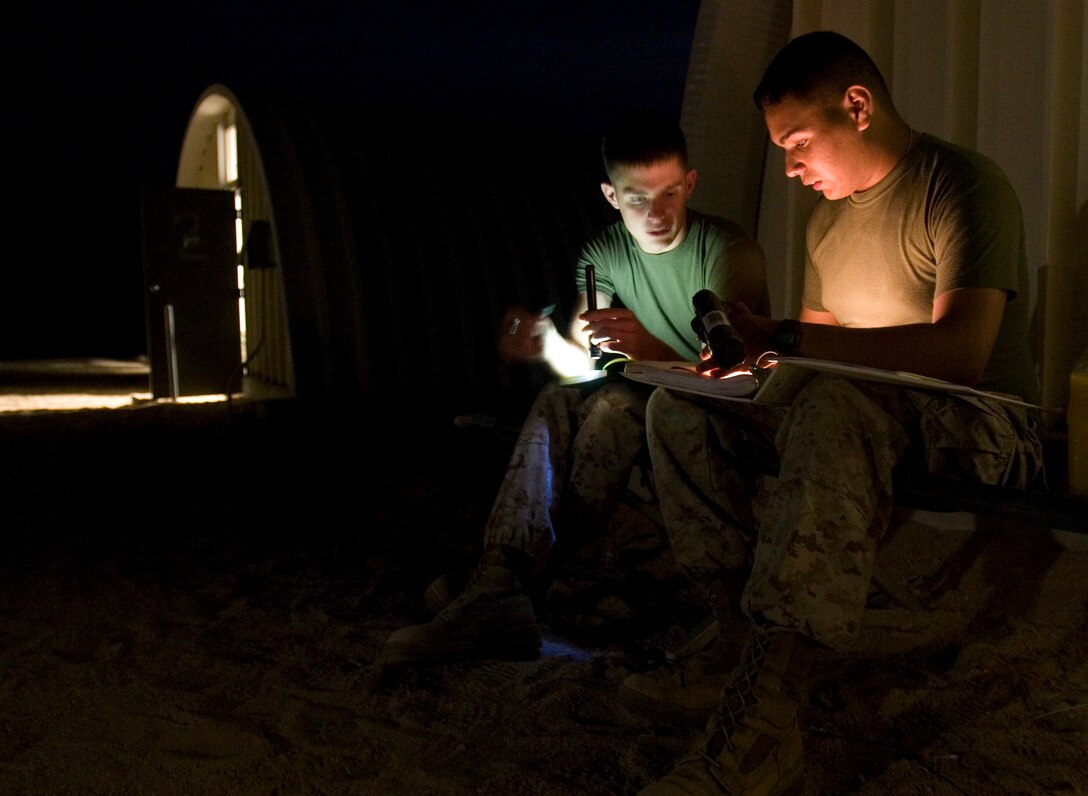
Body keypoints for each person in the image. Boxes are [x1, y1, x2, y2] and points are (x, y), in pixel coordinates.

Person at [636, 31, 1045, 795]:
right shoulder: (827, 224)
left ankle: (767, 717)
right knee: (679, 409)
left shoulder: (960, 185)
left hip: (981, 421)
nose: (789, 168)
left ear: (855, 107)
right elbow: (817, 357)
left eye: (796, 142)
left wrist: (788, 342)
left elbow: (961, 351)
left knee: (830, 408)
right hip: (858, 411)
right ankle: (732, 642)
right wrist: (749, 363)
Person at [379, 109, 769, 667]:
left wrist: (649, 348)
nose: (655, 213)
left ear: (689, 184)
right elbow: (585, 362)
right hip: (634, 395)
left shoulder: (727, 251)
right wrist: (546, 346)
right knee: (559, 399)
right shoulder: (604, 254)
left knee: (611, 407)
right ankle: (500, 578)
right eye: (638, 198)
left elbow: (741, 376)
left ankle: (509, 584)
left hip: (711, 409)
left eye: (667, 195)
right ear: (612, 195)